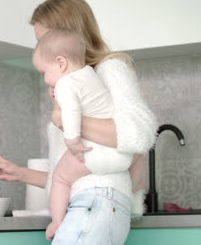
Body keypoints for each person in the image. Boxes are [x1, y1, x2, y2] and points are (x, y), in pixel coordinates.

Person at [0, 0, 157, 245]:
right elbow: (70, 174)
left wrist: (65, 119)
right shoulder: (72, 88)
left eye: (44, 40)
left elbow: (139, 133)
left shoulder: (109, 70)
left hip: (98, 201)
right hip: (85, 202)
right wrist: (20, 173)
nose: (40, 49)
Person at [32, 28, 146, 240]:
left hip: (93, 157)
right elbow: (137, 137)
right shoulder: (91, 74)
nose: (46, 79)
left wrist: (72, 140)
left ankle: (56, 222)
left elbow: (72, 113)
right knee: (138, 151)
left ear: (61, 63)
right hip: (123, 159)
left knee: (60, 177)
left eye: (44, 73)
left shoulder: (66, 83)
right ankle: (136, 183)